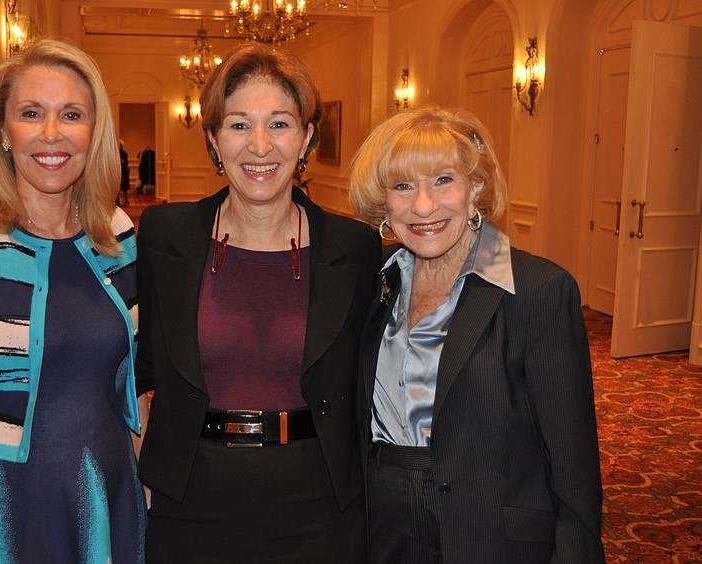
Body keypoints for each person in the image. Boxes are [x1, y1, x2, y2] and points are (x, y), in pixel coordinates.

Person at [135, 41, 381, 563]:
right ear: (213, 141)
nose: (260, 146)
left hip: (319, 506)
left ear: (307, 136)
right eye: (239, 125)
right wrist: (146, 472)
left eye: (280, 124)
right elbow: (144, 370)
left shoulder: (354, 247)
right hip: (189, 500)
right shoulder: (164, 234)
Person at [0, 39, 146, 563]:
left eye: (72, 115)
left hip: (110, 497)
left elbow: (134, 390)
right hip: (3, 507)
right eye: (31, 113)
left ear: (93, 131)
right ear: (2, 130)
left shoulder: (120, 236)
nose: (52, 134)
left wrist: (148, 496)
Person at [348, 105, 605, 563]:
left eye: (444, 180)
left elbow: (572, 459)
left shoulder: (539, 290)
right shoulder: (374, 280)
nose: (423, 206)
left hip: (491, 535)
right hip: (381, 526)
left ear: (476, 188)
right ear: (383, 201)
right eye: (403, 186)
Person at [119, 139, 131, 206]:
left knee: (125, 187)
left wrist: (122, 161)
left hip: (124, 171)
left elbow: (126, 162)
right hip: (118, 171)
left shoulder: (124, 153)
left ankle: (127, 201)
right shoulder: (115, 152)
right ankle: (121, 201)